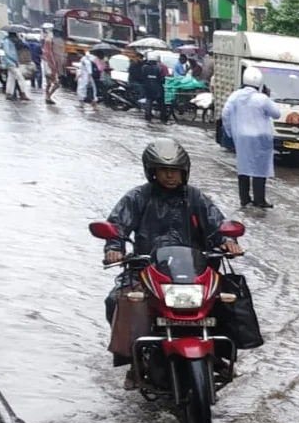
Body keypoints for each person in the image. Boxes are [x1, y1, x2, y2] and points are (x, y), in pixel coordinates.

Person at [102, 139, 242, 387]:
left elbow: (217, 223)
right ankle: (135, 361)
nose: (169, 175)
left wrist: (228, 241)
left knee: (230, 295)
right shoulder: (138, 197)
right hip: (147, 269)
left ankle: (221, 354)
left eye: (175, 169)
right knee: (117, 299)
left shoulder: (196, 197)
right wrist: (115, 248)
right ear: (152, 171)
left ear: (184, 171)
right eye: (163, 169)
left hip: (193, 271)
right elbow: (117, 226)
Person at [221, 66, 281, 208]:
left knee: (243, 168)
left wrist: (231, 133)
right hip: (261, 137)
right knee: (260, 169)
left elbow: (225, 114)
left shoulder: (235, 96)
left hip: (242, 137)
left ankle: (244, 199)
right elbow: (277, 114)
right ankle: (259, 200)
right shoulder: (262, 99)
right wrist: (268, 96)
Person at [1, 30, 30, 101]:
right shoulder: (7, 41)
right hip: (11, 62)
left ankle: (9, 93)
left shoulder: (10, 41)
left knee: (11, 78)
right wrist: (14, 61)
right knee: (20, 78)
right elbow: (8, 53)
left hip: (11, 62)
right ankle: (23, 93)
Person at [139, 54, 168, 121]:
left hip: (148, 89)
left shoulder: (144, 67)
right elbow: (162, 79)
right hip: (158, 89)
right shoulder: (158, 68)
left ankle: (148, 117)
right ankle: (163, 118)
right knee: (162, 103)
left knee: (148, 102)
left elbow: (142, 78)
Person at [41, 32, 62, 104]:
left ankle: (47, 97)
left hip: (47, 69)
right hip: (50, 69)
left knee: (48, 83)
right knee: (56, 84)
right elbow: (51, 62)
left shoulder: (45, 53)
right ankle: (48, 97)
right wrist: (54, 68)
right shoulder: (49, 54)